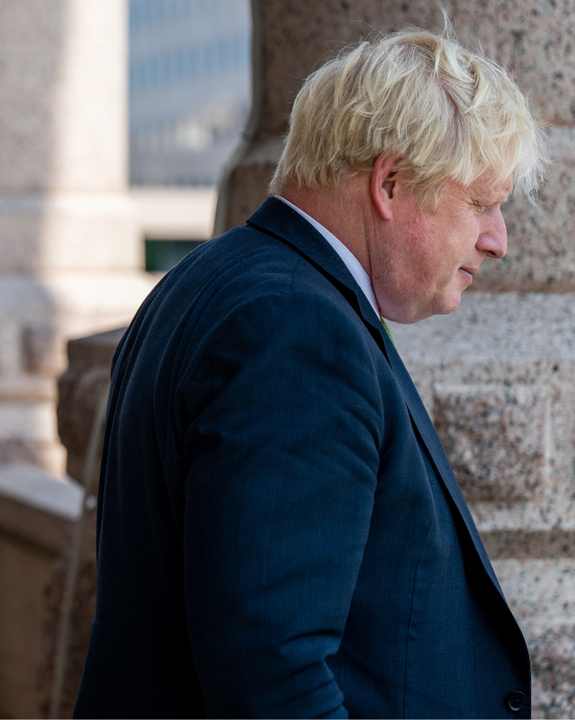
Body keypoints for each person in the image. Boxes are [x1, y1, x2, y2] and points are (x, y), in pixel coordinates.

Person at [73, 26, 547, 719]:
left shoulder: (214, 279)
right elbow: (272, 674)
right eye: (481, 202)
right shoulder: (297, 330)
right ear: (389, 183)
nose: (498, 239)